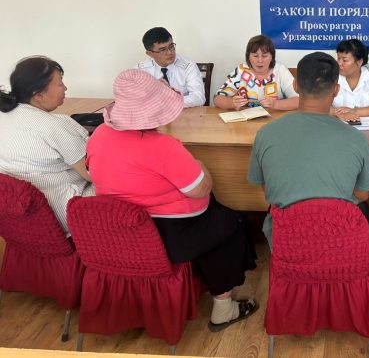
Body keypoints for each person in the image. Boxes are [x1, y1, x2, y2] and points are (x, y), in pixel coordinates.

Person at [86, 69, 258, 331]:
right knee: (229, 223)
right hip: (168, 234)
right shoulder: (164, 146)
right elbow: (201, 189)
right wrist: (200, 165)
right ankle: (224, 309)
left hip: (119, 232)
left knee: (215, 218)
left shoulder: (99, 134)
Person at [248, 52, 369, 248]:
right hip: (339, 242)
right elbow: (362, 194)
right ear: (336, 90)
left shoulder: (266, 133)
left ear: (295, 86)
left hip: (287, 241)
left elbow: (267, 188)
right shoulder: (357, 139)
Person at [0, 56, 93, 234]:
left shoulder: (3, 116)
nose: (65, 88)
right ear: (38, 95)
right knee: (128, 183)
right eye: (60, 83)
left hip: (19, 218)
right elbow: (94, 175)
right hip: (62, 214)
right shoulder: (56, 126)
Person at [214, 34, 298, 111]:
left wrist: (275, 104)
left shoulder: (280, 70)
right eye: (255, 56)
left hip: (276, 120)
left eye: (264, 56)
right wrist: (232, 103)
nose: (260, 60)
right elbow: (217, 99)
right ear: (248, 57)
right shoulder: (241, 70)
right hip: (245, 120)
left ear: (272, 57)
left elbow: (299, 100)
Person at [136, 27, 205, 108]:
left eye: (171, 46)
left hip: (184, 113)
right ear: (150, 54)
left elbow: (199, 98)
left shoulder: (188, 66)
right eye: (162, 50)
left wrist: (168, 103)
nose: (169, 53)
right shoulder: (140, 71)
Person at [332, 38, 369, 122]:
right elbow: (320, 105)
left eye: (344, 60)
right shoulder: (330, 76)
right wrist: (338, 113)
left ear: (359, 62)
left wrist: (354, 111)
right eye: (338, 58)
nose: (339, 63)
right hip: (338, 124)